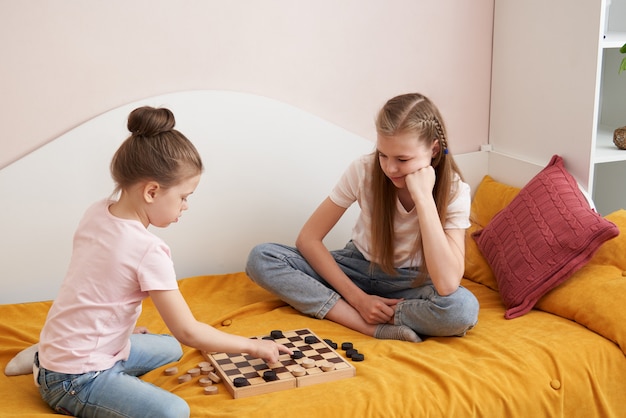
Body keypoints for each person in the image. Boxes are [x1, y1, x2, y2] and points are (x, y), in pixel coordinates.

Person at [36, 106, 291, 418]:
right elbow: (189, 332)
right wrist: (254, 346)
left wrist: (120, 329)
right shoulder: (148, 250)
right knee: (173, 412)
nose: (186, 206)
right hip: (75, 379)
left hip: (73, 348)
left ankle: (45, 354)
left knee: (170, 349)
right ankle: (50, 371)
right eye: (184, 196)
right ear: (152, 191)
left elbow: (97, 284)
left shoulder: (98, 210)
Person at [246, 93, 479, 343]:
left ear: (433, 149)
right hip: (356, 267)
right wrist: (359, 299)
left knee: (461, 309)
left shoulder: (455, 191)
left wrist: (424, 198)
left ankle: (375, 313)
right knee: (263, 258)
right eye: (383, 154)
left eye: (403, 159)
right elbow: (308, 239)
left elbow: (446, 285)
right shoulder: (364, 170)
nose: (390, 168)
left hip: (409, 282)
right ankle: (366, 325)